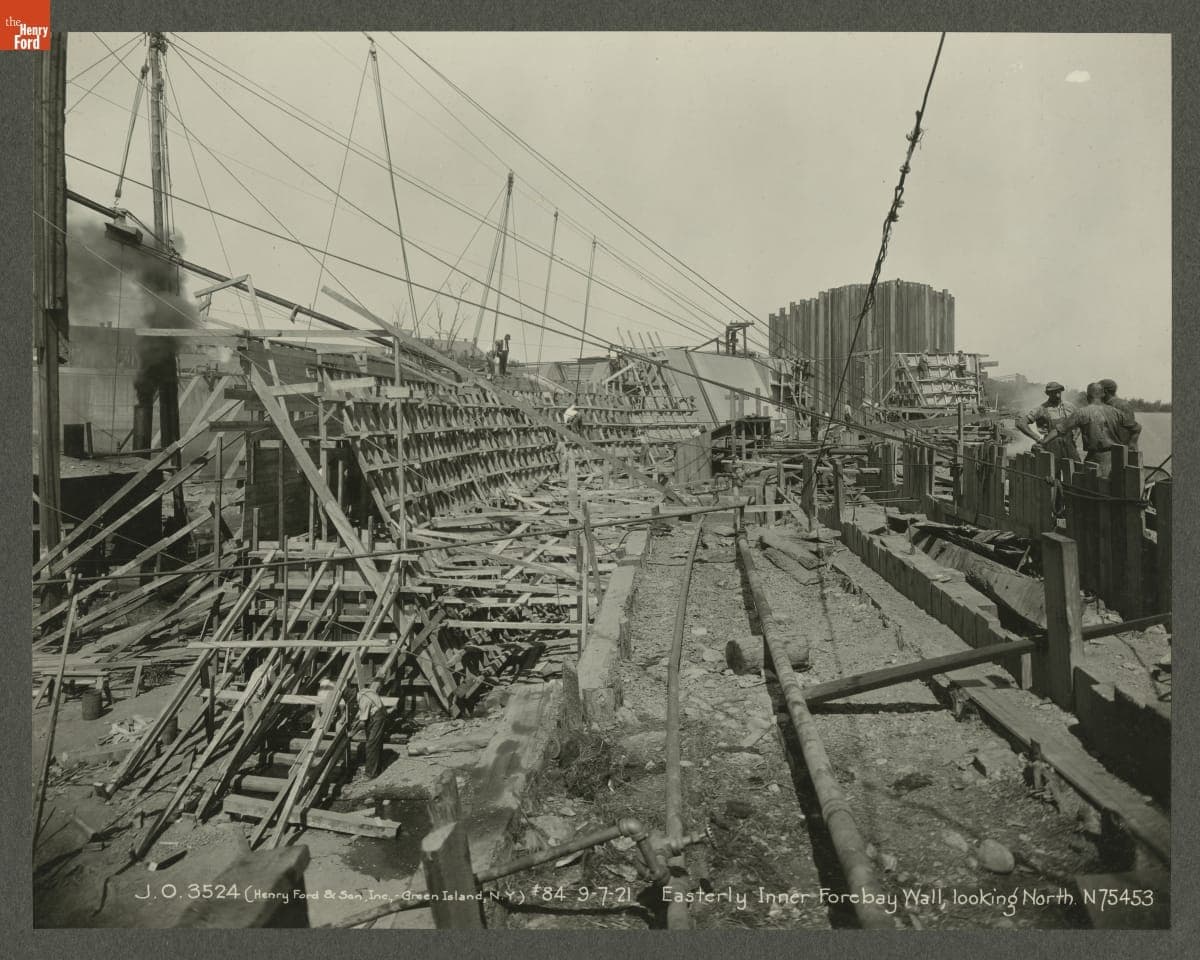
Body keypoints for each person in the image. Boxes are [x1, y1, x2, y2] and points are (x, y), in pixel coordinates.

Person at [1040, 382, 1122, 479]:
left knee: (1090, 486)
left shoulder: (1082, 412)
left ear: (1087, 396)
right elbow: (1131, 430)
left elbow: (1060, 429)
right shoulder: (1116, 412)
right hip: (1116, 458)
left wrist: (1043, 441)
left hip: (1095, 458)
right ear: (1103, 395)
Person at [1015, 381, 1080, 474]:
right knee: (1051, 476)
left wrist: (1076, 435)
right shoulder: (1041, 409)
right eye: (1054, 393)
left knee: (1077, 472)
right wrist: (1037, 438)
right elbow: (1020, 423)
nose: (1057, 395)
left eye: (1059, 392)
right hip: (1051, 446)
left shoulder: (1069, 406)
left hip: (1069, 445)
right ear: (1048, 394)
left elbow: (1079, 422)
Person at [1099, 378, 1141, 453]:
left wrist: (1132, 443)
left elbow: (1136, 428)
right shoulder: (1103, 405)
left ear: (1105, 391)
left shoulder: (1122, 405)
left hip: (1124, 450)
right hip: (1113, 449)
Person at [355, 679, 387, 779]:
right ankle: (378, 769)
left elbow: (362, 723)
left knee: (371, 744)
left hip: (378, 716)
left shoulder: (363, 701)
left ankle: (370, 774)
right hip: (377, 713)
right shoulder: (363, 691)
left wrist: (352, 733)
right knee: (375, 742)